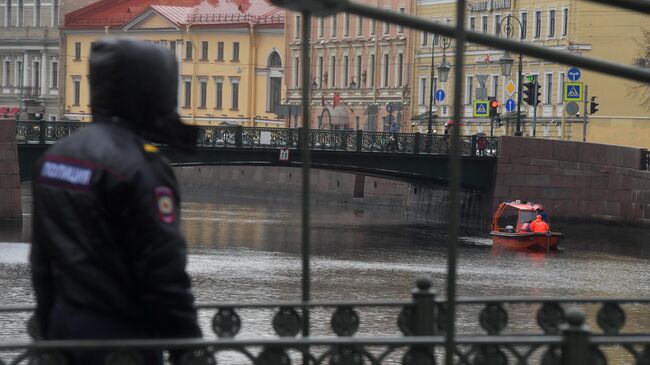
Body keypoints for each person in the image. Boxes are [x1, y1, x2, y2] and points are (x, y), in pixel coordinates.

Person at [29, 39, 202, 365]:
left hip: (63, 328)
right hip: (121, 339)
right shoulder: (140, 166)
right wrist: (188, 347)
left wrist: (49, 328)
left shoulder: (55, 156)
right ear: (151, 91)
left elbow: (41, 260)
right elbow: (163, 272)